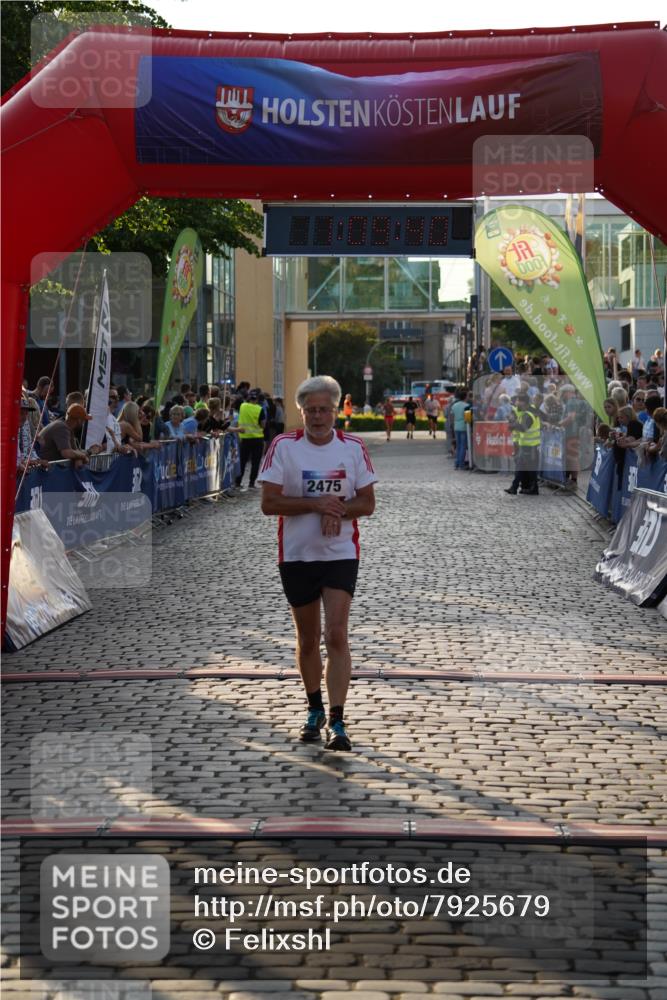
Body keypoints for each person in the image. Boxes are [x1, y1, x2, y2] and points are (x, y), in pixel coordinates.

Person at [258, 375, 376, 752]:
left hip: (340, 552)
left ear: (337, 410)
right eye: (311, 410)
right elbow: (269, 503)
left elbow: (367, 503)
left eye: (325, 409)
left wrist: (338, 511)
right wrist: (315, 504)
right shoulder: (284, 446)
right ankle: (314, 708)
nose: (318, 417)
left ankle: (338, 720)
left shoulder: (353, 448)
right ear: (301, 411)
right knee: (308, 639)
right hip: (297, 554)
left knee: (336, 635)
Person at [504, 393, 541, 495]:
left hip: (530, 445)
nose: (516, 403)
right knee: (523, 467)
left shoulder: (528, 414)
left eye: (518, 401)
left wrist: (512, 424)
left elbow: (523, 428)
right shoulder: (528, 411)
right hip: (527, 445)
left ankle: (524, 488)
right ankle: (516, 487)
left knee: (527, 468)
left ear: (523, 402)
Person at [236, 389, 265, 489]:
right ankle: (252, 482)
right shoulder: (260, 409)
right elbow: (263, 425)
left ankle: (238, 482)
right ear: (257, 399)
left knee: (242, 461)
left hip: (245, 438)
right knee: (255, 461)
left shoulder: (242, 406)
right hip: (257, 439)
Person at [450, 390, 470, 469]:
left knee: (458, 446)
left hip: (456, 426)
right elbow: (468, 419)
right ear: (465, 397)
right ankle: (461, 463)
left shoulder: (454, 405)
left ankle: (457, 462)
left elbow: (452, 416)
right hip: (464, 427)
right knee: (463, 446)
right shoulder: (467, 406)